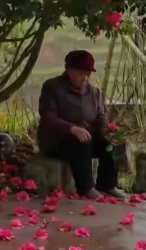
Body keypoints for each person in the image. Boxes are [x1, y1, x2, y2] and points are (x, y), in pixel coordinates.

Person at [37, 49, 124, 199]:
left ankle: (107, 184)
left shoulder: (94, 92)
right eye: (80, 73)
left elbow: (100, 117)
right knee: (82, 141)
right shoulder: (53, 87)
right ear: (69, 71)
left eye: (88, 74)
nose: (85, 78)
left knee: (112, 144)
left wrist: (109, 133)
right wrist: (72, 128)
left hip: (86, 140)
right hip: (59, 141)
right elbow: (47, 116)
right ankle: (86, 187)